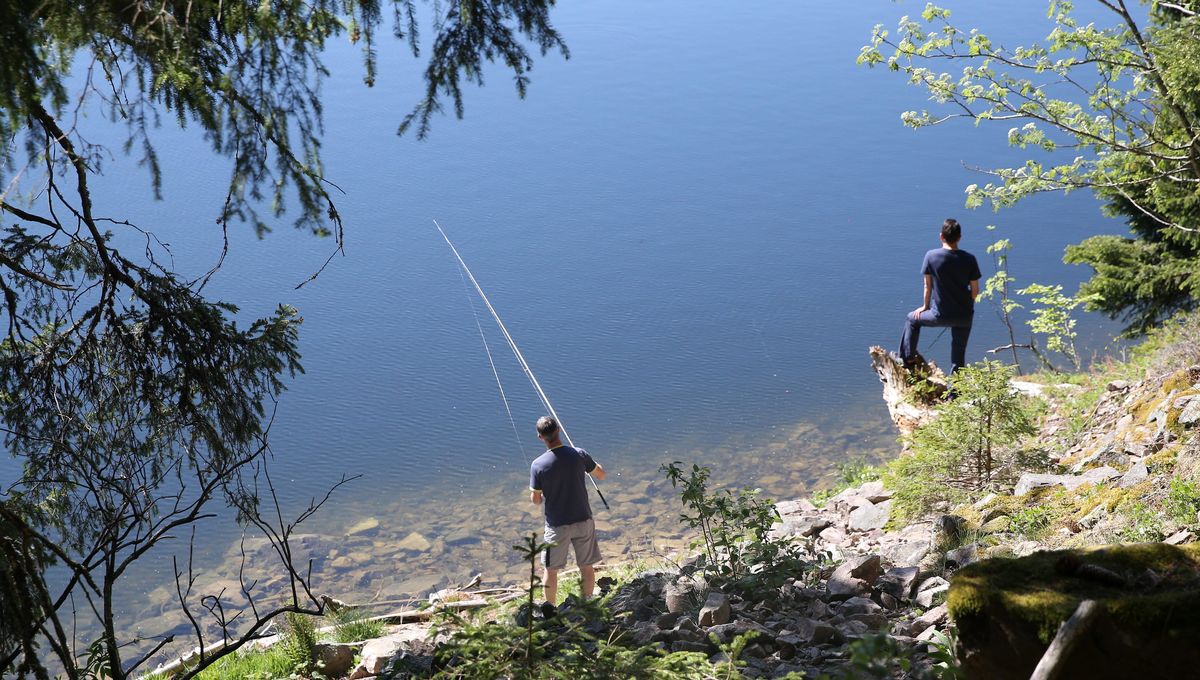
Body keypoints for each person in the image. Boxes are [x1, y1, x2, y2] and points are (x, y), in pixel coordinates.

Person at [529, 415, 605, 609]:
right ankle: (588, 603)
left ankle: (550, 607)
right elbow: (601, 474)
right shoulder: (579, 454)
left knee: (551, 569)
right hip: (583, 520)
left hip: (557, 525)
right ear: (559, 430)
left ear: (540, 437)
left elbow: (536, 501)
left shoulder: (538, 465)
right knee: (586, 565)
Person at [898, 218, 982, 375]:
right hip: (964, 316)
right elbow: (975, 291)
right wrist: (966, 306)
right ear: (960, 237)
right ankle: (955, 392)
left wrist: (925, 307)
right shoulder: (970, 259)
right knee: (958, 354)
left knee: (911, 319)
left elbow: (927, 286)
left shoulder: (931, 256)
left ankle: (908, 359)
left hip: (939, 315)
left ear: (941, 236)